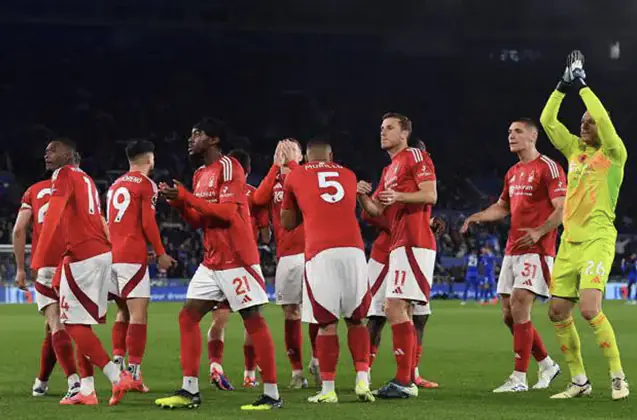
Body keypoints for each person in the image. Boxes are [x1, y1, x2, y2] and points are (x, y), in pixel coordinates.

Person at [154, 118, 282, 410]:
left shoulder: (228, 167)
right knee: (188, 317)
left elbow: (226, 213)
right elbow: (200, 220)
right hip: (212, 260)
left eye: (197, 134)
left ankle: (272, 394)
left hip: (237, 257)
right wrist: (179, 204)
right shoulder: (200, 173)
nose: (191, 139)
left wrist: (186, 196)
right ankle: (189, 391)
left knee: (253, 319)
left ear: (213, 140)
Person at [540, 50, 629, 400]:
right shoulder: (574, 152)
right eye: (582, 122)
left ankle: (618, 375)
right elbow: (548, 121)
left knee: (591, 308)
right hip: (569, 241)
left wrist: (584, 86)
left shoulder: (614, 155)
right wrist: (563, 86)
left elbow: (604, 121)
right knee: (557, 310)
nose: (584, 125)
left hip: (597, 238)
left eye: (589, 122)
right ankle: (579, 381)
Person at [461, 118, 564, 393]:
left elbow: (562, 208)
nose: (511, 136)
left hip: (537, 249)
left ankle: (519, 378)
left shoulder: (549, 167)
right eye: (509, 132)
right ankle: (546, 364)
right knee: (508, 315)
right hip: (512, 250)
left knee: (520, 304)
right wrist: (477, 217)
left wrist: (540, 231)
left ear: (533, 136)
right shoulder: (513, 172)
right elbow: (502, 207)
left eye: (517, 131)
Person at [31, 138, 130, 406]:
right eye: (46, 149)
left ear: (69, 154)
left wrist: (39, 258)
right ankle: (86, 389)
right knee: (82, 324)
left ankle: (116, 375)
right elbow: (95, 219)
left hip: (83, 257)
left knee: (72, 325)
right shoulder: (85, 178)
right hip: (96, 253)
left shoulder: (62, 175)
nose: (47, 153)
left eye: (53, 149)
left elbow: (53, 216)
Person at [280, 137, 374, 403]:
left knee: (326, 324)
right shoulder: (349, 174)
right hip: (355, 251)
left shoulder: (296, 175)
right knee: (357, 320)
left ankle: (328, 389)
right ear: (331, 157)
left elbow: (287, 222)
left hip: (321, 252)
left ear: (308, 157)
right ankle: (362, 382)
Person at [357, 113, 437, 399]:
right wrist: (362, 195)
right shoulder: (389, 169)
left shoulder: (415, 155)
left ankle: (405, 381)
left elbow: (430, 195)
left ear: (404, 133)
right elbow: (376, 211)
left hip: (415, 241)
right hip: (398, 244)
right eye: (381, 128)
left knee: (396, 308)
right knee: (397, 309)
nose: (383, 132)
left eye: (390, 128)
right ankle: (404, 380)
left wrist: (400, 197)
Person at [107, 140, 176, 392]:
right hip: (131, 256)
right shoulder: (146, 184)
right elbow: (147, 222)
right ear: (150, 159)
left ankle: (117, 364)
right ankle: (134, 374)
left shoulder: (115, 185)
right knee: (139, 313)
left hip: (113, 255)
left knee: (122, 311)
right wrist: (160, 253)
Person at [13, 155, 80, 401]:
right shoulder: (81, 187)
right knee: (54, 327)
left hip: (47, 265)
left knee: (55, 323)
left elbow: (19, 229)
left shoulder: (33, 191)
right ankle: (43, 382)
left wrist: (21, 268)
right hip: (76, 263)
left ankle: (73, 382)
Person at [251, 138, 315, 388]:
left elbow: (306, 191)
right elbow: (257, 198)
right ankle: (297, 372)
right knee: (291, 312)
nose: (284, 153)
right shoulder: (274, 180)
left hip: (313, 252)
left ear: (301, 156)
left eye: (290, 150)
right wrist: (275, 168)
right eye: (279, 150)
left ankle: (317, 360)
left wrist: (290, 164)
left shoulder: (307, 174)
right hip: (287, 255)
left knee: (316, 312)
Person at [205, 148, 270, 390]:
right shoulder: (254, 195)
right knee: (252, 321)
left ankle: (215, 366)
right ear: (248, 169)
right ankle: (249, 374)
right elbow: (265, 237)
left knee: (218, 321)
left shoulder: (215, 191)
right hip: (244, 263)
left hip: (218, 260)